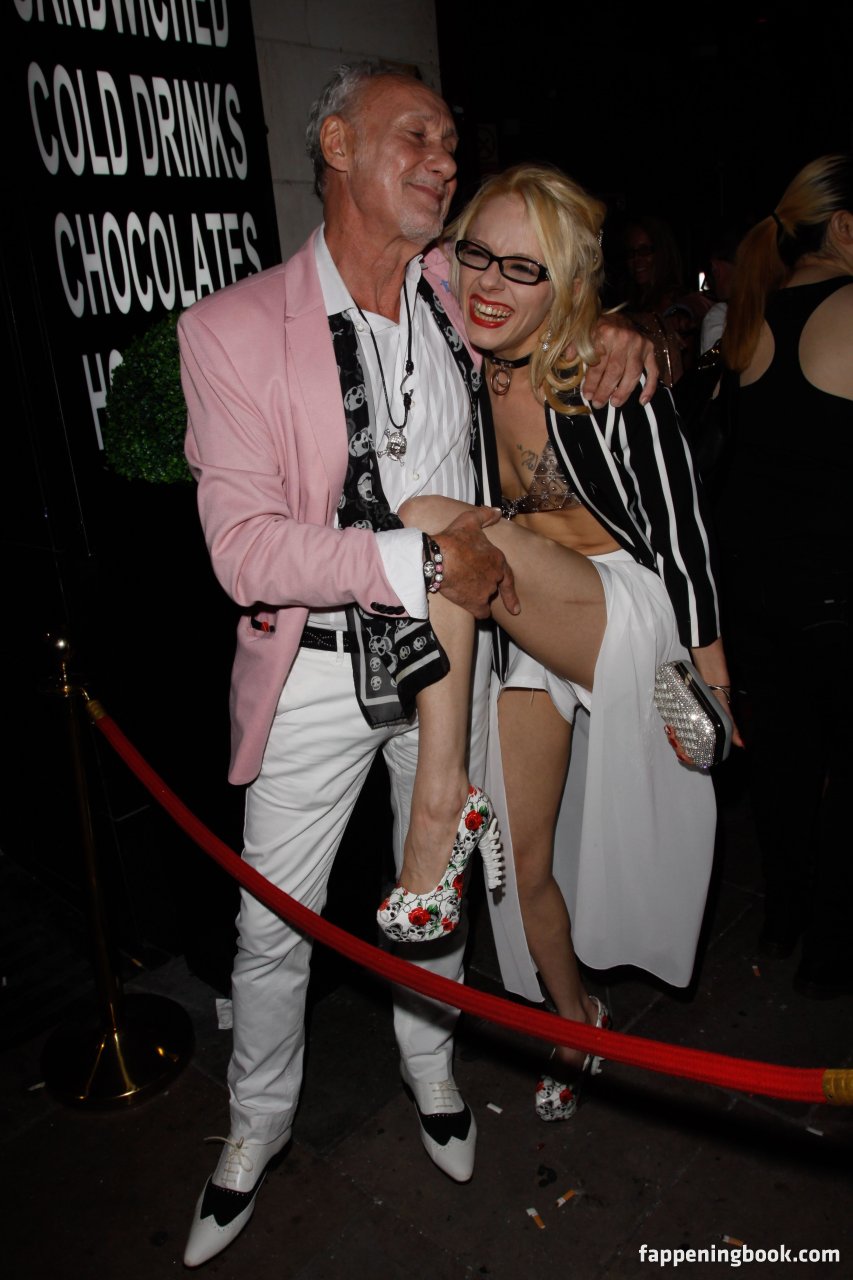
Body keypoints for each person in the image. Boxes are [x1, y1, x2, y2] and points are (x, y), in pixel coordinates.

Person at [177, 64, 654, 1267]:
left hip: (456, 658)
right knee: (272, 925)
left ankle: (430, 1063)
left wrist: (619, 331)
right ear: (336, 144)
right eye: (416, 138)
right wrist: (417, 557)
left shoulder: (452, 288)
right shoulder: (231, 327)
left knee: (429, 883)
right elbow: (242, 549)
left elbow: (550, 296)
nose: (444, 161)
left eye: (450, 143)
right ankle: (255, 1125)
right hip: (317, 667)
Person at [377, 163, 737, 1122]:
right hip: (528, 620)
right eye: (479, 256)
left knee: (427, 521)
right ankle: (577, 1026)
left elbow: (682, 531)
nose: (491, 284)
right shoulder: (465, 359)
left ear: (567, 282)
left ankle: (438, 800)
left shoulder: (600, 375)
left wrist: (712, 679)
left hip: (621, 611)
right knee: (521, 861)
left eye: (523, 268)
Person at [716, 154, 853, 997]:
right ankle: (831, 956)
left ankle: (784, 914)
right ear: (843, 226)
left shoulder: (750, 317)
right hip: (834, 588)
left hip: (754, 586)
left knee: (783, 765)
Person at [622, 215, 711, 386]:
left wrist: (681, 316)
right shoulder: (630, 302)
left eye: (644, 251)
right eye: (631, 253)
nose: (637, 260)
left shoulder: (675, 298)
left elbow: (697, 306)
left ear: (661, 253)